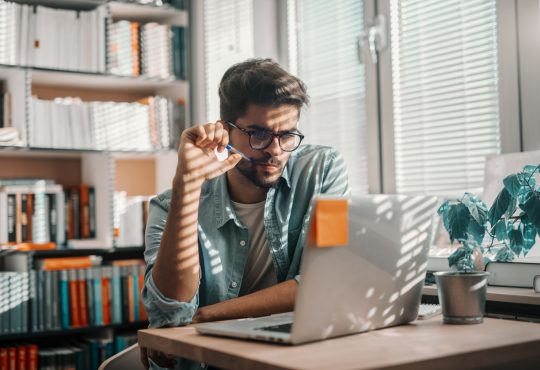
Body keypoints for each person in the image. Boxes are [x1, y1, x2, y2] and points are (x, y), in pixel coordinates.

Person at [140, 58, 350, 369]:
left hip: (291, 359)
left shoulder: (322, 170)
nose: (275, 150)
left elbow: (324, 283)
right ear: (224, 132)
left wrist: (207, 316)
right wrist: (187, 183)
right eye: (258, 134)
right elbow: (170, 314)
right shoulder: (168, 206)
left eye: (287, 135)